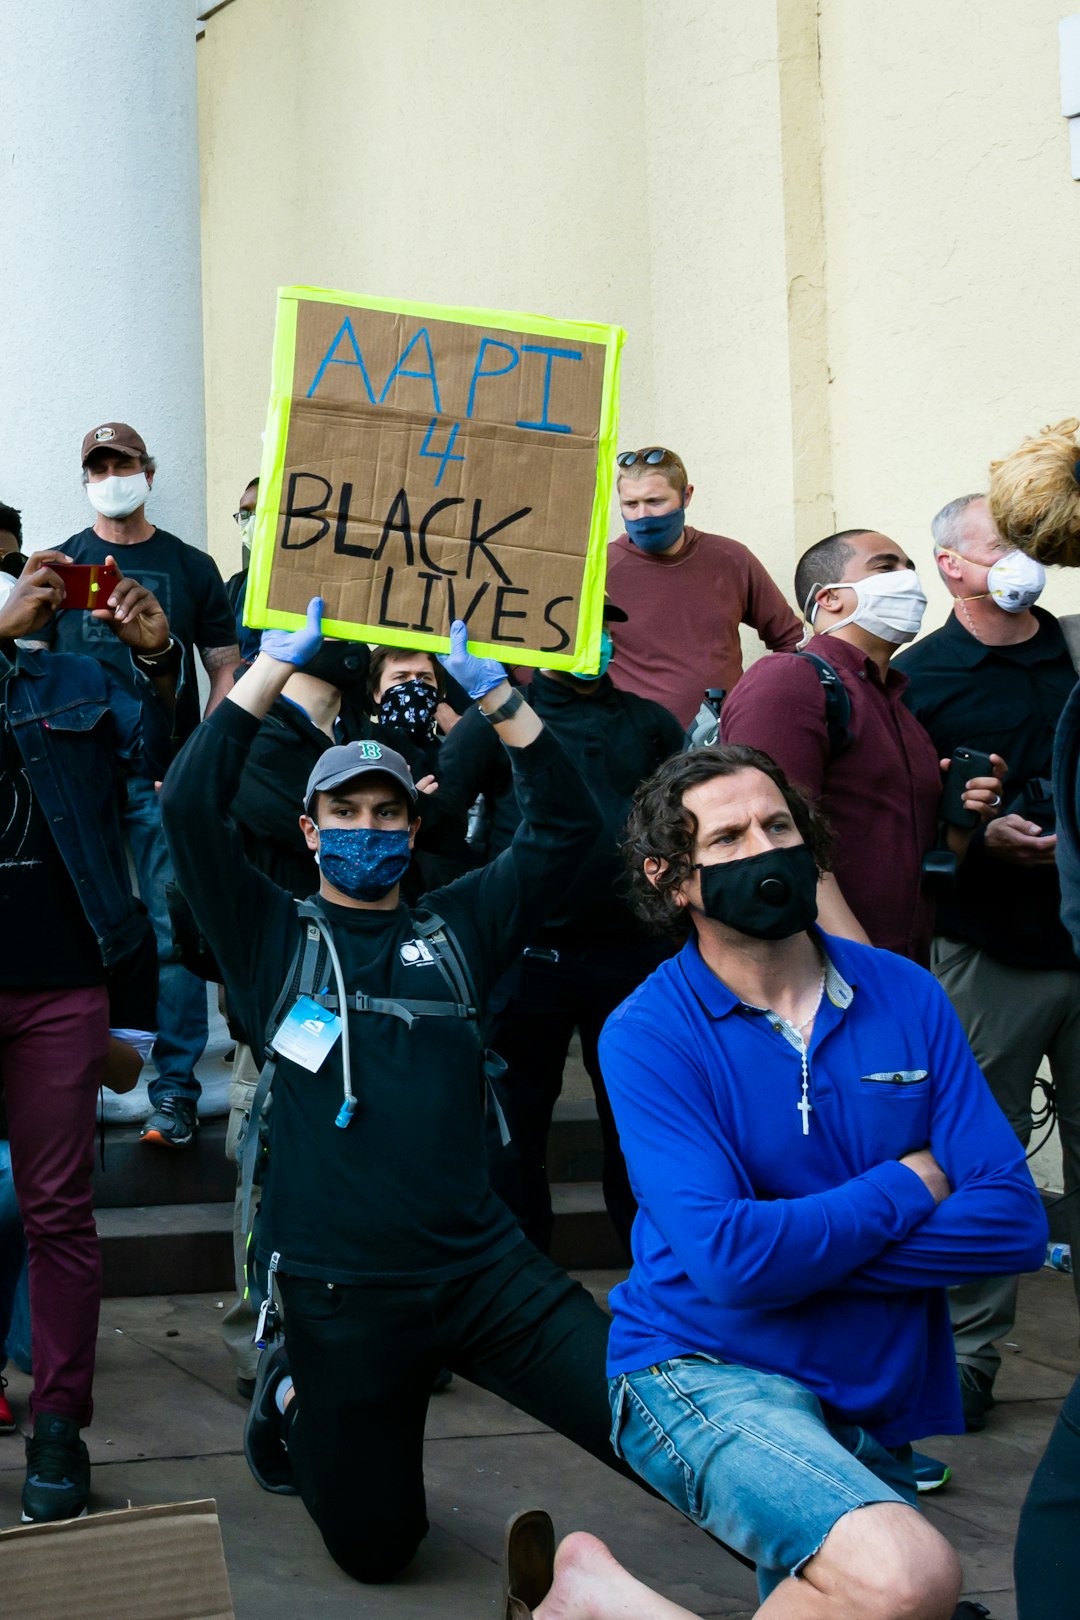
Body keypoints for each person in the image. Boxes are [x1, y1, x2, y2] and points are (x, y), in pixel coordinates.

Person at [160, 609, 642, 1584]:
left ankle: (843, 1558)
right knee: (381, 1552)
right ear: (311, 828)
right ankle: (294, 1396)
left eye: (387, 814)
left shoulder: (464, 920)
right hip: (342, 1292)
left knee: (652, 1426)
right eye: (345, 813)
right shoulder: (268, 934)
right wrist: (268, 670)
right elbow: (187, 812)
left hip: (485, 1272)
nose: (368, 830)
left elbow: (569, 826)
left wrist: (500, 699)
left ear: (415, 827)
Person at [597, 744, 1047, 1614]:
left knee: (863, 1601)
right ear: (671, 879)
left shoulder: (908, 997)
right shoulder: (648, 1031)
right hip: (700, 1369)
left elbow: (1011, 1221)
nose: (766, 849)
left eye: (779, 824)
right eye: (728, 838)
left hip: (872, 1393)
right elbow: (727, 1262)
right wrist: (909, 1186)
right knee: (911, 1578)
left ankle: (601, 1602)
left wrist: (784, 1249)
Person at [894, 493, 1079, 1430]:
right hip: (988, 949)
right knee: (984, 1158)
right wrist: (975, 834)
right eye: (1003, 544)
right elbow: (898, 814)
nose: (1026, 557)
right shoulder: (916, 678)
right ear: (952, 568)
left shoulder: (1075, 649)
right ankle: (969, 1357)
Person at [0, 548, 178, 1521]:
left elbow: (160, 764)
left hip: (62, 983)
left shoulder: (73, 676)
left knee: (59, 1213)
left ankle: (58, 1430)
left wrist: (154, 661)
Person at [438, 602, 683, 1254]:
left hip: (637, 961)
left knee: (641, 1126)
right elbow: (436, 822)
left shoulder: (650, 723)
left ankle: (658, 1282)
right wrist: (482, 904)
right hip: (528, 963)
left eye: (600, 628)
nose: (591, 641)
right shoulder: (495, 717)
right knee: (515, 1135)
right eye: (574, 626)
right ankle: (524, 1290)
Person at [44, 422, 241, 1147]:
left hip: (164, 776)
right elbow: (34, 668)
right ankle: (68, 1085)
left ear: (148, 472)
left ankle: (176, 1094)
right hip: (74, 782)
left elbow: (225, 664)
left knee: (173, 934)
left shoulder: (190, 566)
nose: (111, 475)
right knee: (73, 931)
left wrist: (202, 749)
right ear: (86, 478)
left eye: (122, 462)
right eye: (98, 465)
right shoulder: (63, 568)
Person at [721, 528, 1004, 964]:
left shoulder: (896, 704)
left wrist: (960, 821)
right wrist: (865, 969)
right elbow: (772, 841)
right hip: (826, 977)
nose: (908, 579)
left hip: (901, 967)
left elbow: (918, 865)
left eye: (910, 567)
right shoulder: (789, 680)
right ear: (829, 598)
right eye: (886, 566)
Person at [605, 447, 801, 728]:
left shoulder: (731, 558)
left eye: (655, 501)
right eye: (631, 504)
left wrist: (765, 704)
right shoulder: (599, 568)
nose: (642, 516)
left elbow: (791, 641)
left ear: (686, 496)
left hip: (724, 744)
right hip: (634, 746)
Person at [224, 476, 261, 663]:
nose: (252, 521)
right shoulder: (232, 590)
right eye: (245, 514)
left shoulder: (315, 585)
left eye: (262, 510)